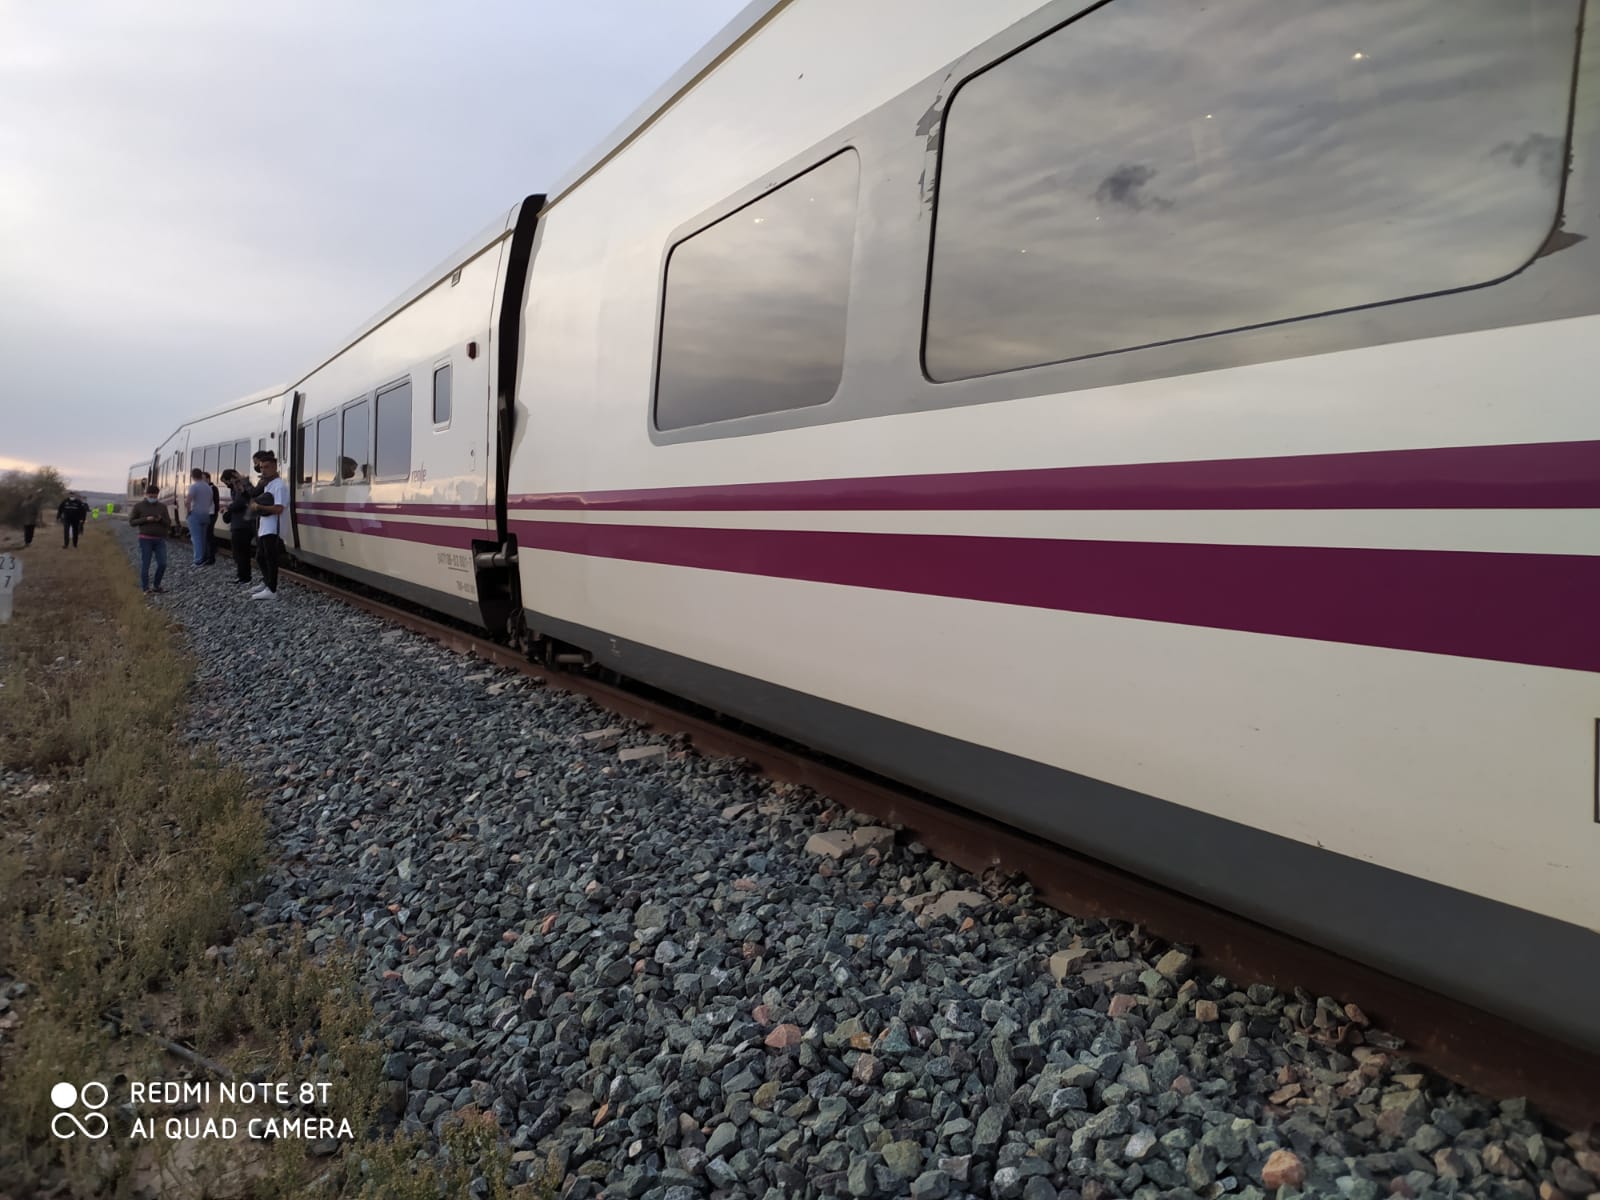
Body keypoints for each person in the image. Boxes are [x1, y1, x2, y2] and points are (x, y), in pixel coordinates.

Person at [250, 451, 288, 601]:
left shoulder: (279, 486)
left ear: (274, 467)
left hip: (274, 528)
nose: (263, 470)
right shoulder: (269, 485)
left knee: (270, 559)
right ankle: (267, 584)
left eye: (266, 467)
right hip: (265, 527)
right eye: (261, 467)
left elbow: (279, 508)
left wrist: (259, 507)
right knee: (260, 557)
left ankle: (272, 589)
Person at [128, 483, 171, 594]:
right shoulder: (139, 506)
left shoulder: (162, 507)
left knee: (162, 563)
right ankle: (145, 588)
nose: (153, 498)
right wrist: (146, 519)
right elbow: (132, 522)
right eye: (151, 496)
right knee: (145, 564)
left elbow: (168, 523)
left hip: (159, 539)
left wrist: (160, 519)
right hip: (145, 539)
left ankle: (156, 586)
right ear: (146, 495)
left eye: (155, 496)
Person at [219, 468, 255, 584]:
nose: (226, 485)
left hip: (242, 525)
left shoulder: (240, 487)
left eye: (226, 481)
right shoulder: (236, 488)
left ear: (231, 479)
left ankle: (244, 577)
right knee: (241, 553)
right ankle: (243, 576)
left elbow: (240, 502)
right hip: (240, 524)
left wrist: (228, 509)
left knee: (240, 552)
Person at [184, 468, 213, 567]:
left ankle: (198, 560)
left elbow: (188, 501)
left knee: (196, 538)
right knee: (203, 538)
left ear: (192, 476)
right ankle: (203, 558)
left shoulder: (194, 486)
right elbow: (210, 502)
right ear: (201, 475)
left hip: (195, 514)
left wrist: (188, 512)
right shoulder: (208, 487)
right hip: (206, 514)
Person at [203, 471, 220, 565]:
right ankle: (207, 555)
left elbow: (214, 501)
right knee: (206, 535)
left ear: (208, 479)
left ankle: (211, 557)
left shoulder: (213, 488)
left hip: (211, 514)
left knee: (208, 535)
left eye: (203, 478)